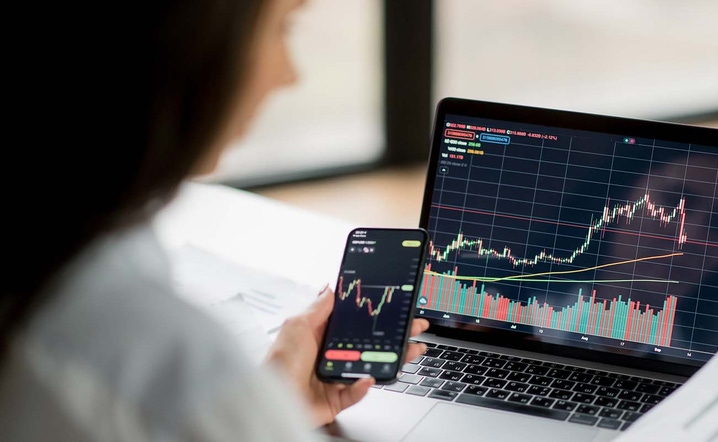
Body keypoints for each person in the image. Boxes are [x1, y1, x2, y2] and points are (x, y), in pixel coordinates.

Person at [0, 0, 428, 439]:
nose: (289, 75)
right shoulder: (180, 379)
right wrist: (253, 415)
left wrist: (276, 400)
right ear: (193, 48)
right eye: (282, 28)